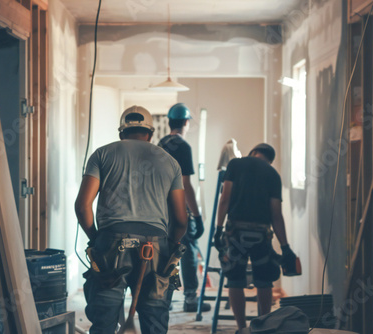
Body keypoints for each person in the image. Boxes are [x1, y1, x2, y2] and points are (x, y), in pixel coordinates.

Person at [75, 105, 188, 334]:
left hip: (112, 243)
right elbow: (181, 220)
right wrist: (171, 245)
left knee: (104, 322)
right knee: (155, 320)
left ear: (121, 132)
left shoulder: (102, 154)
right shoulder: (170, 162)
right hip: (155, 246)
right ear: (151, 133)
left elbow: (82, 205)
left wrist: (96, 239)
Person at [214, 143, 297, 334]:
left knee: (235, 280)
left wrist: (218, 229)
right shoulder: (273, 174)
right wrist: (285, 246)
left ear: (252, 152)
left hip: (236, 232)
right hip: (261, 234)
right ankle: (262, 326)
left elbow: (225, 198)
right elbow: (276, 214)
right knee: (264, 280)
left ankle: (242, 328)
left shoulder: (236, 164)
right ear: (269, 160)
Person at [158, 103, 211, 312]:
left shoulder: (160, 144)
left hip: (161, 210)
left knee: (165, 253)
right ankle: (190, 300)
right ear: (187, 122)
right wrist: (196, 216)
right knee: (188, 251)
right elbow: (185, 184)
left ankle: (164, 298)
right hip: (179, 209)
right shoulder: (184, 146)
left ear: (169, 122)